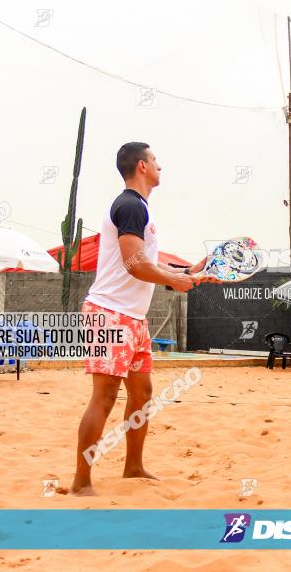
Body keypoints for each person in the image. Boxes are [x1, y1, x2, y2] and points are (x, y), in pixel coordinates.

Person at [71, 142, 215, 496]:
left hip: (132, 317)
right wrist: (174, 279)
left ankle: (133, 466)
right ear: (141, 166)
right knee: (104, 399)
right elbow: (134, 265)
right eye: (155, 160)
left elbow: (148, 263)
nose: (160, 166)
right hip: (110, 314)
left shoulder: (140, 209)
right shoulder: (131, 206)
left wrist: (188, 272)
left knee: (142, 394)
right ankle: (81, 481)